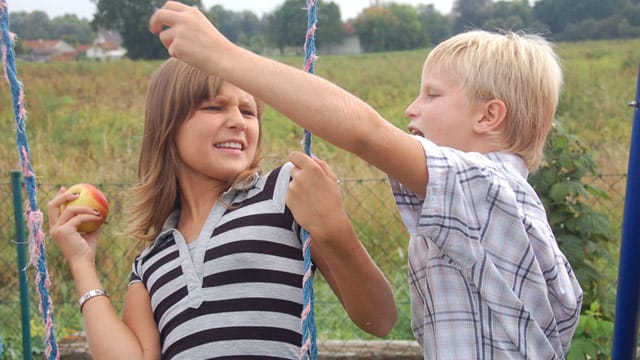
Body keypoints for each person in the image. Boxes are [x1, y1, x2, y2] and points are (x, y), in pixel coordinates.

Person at [148, 2, 584, 359]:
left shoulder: (484, 186)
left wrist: (221, 55)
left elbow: (365, 134)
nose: (412, 109)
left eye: (432, 95)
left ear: (488, 116)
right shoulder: (473, 216)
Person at [46, 57, 397, 359]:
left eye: (248, 111)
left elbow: (379, 317)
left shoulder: (283, 192)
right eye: (215, 107)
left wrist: (332, 226)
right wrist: (81, 264)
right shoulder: (152, 263)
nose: (238, 121)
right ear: (168, 126)